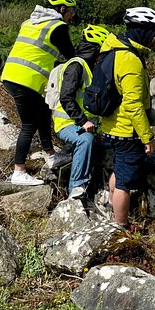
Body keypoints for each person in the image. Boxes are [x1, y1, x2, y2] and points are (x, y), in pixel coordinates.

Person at [1, 0, 77, 186]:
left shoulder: (31, 21)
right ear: (62, 9)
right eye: (71, 11)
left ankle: (50, 154)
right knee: (29, 124)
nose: (72, 15)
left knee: (44, 110)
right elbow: (72, 56)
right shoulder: (57, 26)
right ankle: (18, 171)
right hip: (25, 79)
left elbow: (36, 52)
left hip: (13, 75)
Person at [100, 7, 155, 229]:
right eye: (154, 32)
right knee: (125, 183)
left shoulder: (112, 49)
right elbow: (133, 104)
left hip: (110, 124)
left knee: (118, 170)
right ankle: (121, 225)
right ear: (143, 31)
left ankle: (111, 206)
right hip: (127, 130)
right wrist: (147, 137)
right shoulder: (131, 60)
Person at [52, 24, 110, 199]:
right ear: (95, 49)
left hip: (83, 123)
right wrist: (83, 122)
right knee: (85, 140)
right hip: (68, 123)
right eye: (102, 52)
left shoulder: (89, 67)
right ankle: (76, 187)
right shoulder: (76, 66)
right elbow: (66, 98)